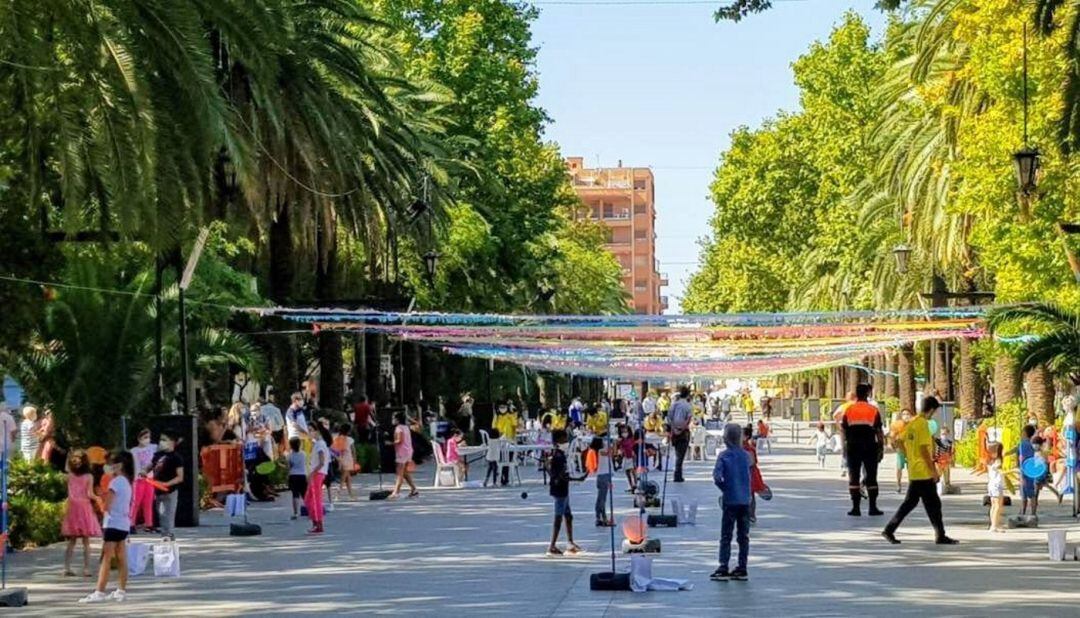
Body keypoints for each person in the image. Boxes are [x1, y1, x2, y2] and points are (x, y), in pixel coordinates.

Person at [882, 396, 958, 545]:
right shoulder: (922, 424)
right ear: (931, 410)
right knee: (933, 504)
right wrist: (933, 471)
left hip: (914, 470)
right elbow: (924, 449)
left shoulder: (912, 423)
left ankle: (890, 530)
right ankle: (940, 535)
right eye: (934, 411)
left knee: (913, 503)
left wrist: (908, 455)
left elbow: (896, 440)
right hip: (923, 471)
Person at [79, 450, 133, 603]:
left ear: (119, 465)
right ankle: (121, 590)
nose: (107, 466)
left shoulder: (115, 482)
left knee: (106, 558)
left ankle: (99, 591)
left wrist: (100, 498)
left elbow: (106, 506)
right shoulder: (126, 481)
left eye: (110, 463)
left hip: (113, 523)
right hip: (123, 523)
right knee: (122, 557)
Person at [711, 423, 752, 582]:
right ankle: (742, 567)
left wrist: (725, 488)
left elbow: (716, 477)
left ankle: (723, 566)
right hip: (745, 500)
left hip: (730, 500)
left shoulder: (724, 456)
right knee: (743, 535)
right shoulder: (746, 455)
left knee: (726, 534)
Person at [840, 384, 884, 517]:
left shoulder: (849, 410)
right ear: (868, 394)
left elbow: (843, 429)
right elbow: (878, 431)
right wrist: (881, 448)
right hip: (870, 447)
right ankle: (872, 507)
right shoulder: (873, 410)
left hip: (853, 447)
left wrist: (844, 448)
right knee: (871, 477)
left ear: (857, 394)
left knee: (854, 478)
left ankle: (855, 508)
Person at [62, 449, 101, 577]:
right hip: (84, 507)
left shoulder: (68, 476)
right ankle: (86, 569)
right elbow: (90, 494)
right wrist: (98, 498)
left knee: (72, 541)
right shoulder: (89, 476)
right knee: (86, 541)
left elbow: (67, 471)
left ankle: (67, 567)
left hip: (72, 507)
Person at [546, 429, 585, 556]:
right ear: (557, 442)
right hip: (560, 491)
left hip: (563, 490)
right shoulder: (559, 457)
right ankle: (552, 546)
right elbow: (562, 476)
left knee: (568, 516)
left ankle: (570, 543)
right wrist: (577, 478)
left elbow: (552, 473)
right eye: (564, 440)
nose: (566, 442)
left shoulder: (557, 455)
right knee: (558, 518)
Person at [151, 431, 184, 540]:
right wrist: (144, 470)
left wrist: (167, 484)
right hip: (158, 490)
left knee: (168, 513)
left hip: (170, 491)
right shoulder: (158, 455)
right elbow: (151, 465)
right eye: (161, 439)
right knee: (161, 513)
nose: (161, 442)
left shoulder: (176, 457)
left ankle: (169, 534)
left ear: (172, 442)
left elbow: (180, 477)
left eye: (165, 440)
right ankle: (164, 534)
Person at [129, 429, 157, 532]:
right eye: (145, 437)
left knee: (148, 502)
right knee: (136, 502)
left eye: (149, 437)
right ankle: (131, 524)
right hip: (138, 479)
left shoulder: (153, 448)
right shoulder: (134, 451)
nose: (147, 440)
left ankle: (149, 524)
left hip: (149, 479)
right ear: (139, 439)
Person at [305, 424, 331, 534]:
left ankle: (318, 523)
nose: (309, 433)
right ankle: (315, 521)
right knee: (308, 499)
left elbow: (321, 462)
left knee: (315, 500)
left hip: (317, 474)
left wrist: (312, 473)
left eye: (311, 430)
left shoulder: (320, 444)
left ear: (317, 431)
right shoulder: (317, 444)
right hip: (316, 473)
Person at [585, 436, 614, 527]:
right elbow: (610, 453)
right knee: (602, 499)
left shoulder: (597, 451)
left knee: (600, 498)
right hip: (603, 475)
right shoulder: (600, 451)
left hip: (602, 475)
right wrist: (614, 443)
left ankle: (599, 517)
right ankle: (603, 517)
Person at [389, 412, 418, 499]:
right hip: (408, 451)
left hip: (402, 452)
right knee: (405, 473)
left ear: (397, 419)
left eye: (394, 418)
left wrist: (390, 443)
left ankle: (396, 492)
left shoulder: (398, 428)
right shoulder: (406, 427)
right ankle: (414, 489)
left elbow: (399, 440)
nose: (392, 420)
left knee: (399, 473)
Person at [668, 386, 694, 483]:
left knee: (677, 452)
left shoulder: (674, 405)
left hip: (674, 431)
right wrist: (682, 428)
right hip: (683, 432)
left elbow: (669, 418)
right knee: (681, 454)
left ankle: (677, 473)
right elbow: (688, 419)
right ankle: (678, 474)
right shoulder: (687, 405)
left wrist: (673, 428)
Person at [832, 391, 855, 478]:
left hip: (845, 429)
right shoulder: (858, 405)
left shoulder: (843, 406)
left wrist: (838, 425)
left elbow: (835, 415)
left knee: (845, 448)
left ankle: (844, 467)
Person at [890, 410, 911, 493]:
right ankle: (898, 485)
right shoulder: (897, 425)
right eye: (904, 414)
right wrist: (894, 446)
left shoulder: (913, 425)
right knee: (899, 467)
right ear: (901, 416)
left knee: (910, 469)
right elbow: (892, 436)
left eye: (908, 414)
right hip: (901, 450)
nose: (906, 416)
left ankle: (911, 485)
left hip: (911, 450)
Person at [987, 442, 1006, 533]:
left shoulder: (990, 460)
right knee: (998, 505)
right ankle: (994, 525)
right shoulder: (998, 461)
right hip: (997, 485)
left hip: (991, 484)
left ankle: (994, 524)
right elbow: (1002, 472)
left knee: (994, 505)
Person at [333, 423, 356, 498]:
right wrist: (354, 460)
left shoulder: (338, 438)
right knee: (343, 478)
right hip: (348, 459)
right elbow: (353, 451)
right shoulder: (350, 439)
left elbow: (335, 450)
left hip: (341, 459)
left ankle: (351, 494)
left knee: (347, 477)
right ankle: (338, 493)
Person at [287, 437, 307, 520]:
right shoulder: (303, 454)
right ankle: (309, 509)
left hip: (293, 475)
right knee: (305, 494)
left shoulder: (289, 455)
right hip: (302, 475)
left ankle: (295, 513)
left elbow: (289, 466)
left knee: (295, 494)